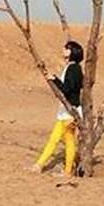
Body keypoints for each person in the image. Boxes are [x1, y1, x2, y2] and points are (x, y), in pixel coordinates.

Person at [31, 40, 84, 176]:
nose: (64, 49)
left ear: (72, 52)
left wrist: (54, 79)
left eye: (67, 48)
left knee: (54, 139)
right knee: (69, 140)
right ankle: (67, 170)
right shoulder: (73, 67)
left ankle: (39, 165)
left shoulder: (74, 68)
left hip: (70, 111)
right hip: (68, 110)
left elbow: (68, 89)